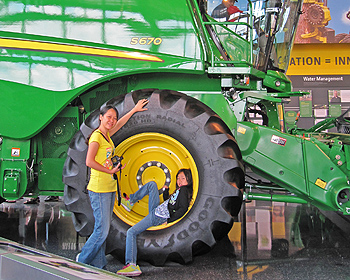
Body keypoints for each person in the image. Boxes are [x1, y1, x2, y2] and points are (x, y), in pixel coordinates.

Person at [76, 98, 148, 269]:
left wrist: (134, 110)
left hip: (108, 188)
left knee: (103, 230)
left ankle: (100, 264)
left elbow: (120, 124)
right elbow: (89, 161)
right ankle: (82, 260)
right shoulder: (96, 137)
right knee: (102, 231)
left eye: (114, 118)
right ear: (100, 117)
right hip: (99, 188)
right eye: (108, 117)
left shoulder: (106, 135)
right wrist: (109, 171)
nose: (112, 121)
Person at [117, 168, 193, 277]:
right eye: (178, 178)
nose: (179, 180)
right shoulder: (179, 190)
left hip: (158, 216)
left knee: (131, 232)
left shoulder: (184, 190)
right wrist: (166, 192)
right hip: (156, 210)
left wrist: (169, 220)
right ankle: (131, 201)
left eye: (183, 178)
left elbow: (183, 209)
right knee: (152, 185)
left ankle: (131, 265)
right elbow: (171, 203)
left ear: (188, 180)